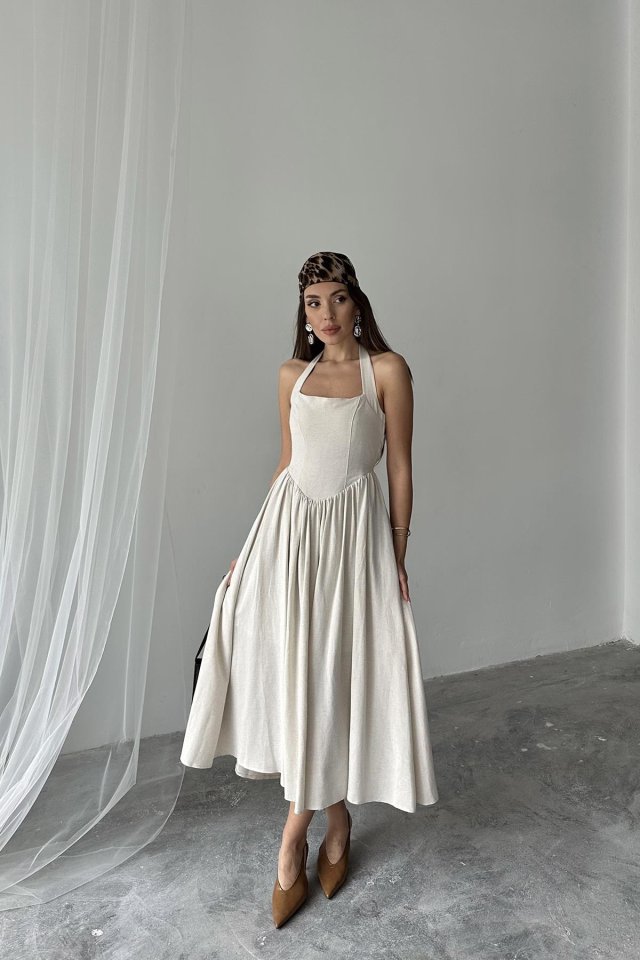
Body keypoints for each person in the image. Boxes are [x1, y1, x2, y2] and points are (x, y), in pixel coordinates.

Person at [180, 251, 439, 928]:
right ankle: (334, 819)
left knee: (333, 675)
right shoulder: (290, 375)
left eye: (337, 298)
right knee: (299, 676)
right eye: (313, 302)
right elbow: (287, 463)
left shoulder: (388, 370)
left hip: (353, 541)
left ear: (358, 303)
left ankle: (295, 836)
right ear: (303, 312)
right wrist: (248, 551)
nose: (325, 313)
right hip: (288, 536)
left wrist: (397, 552)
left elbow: (401, 467)